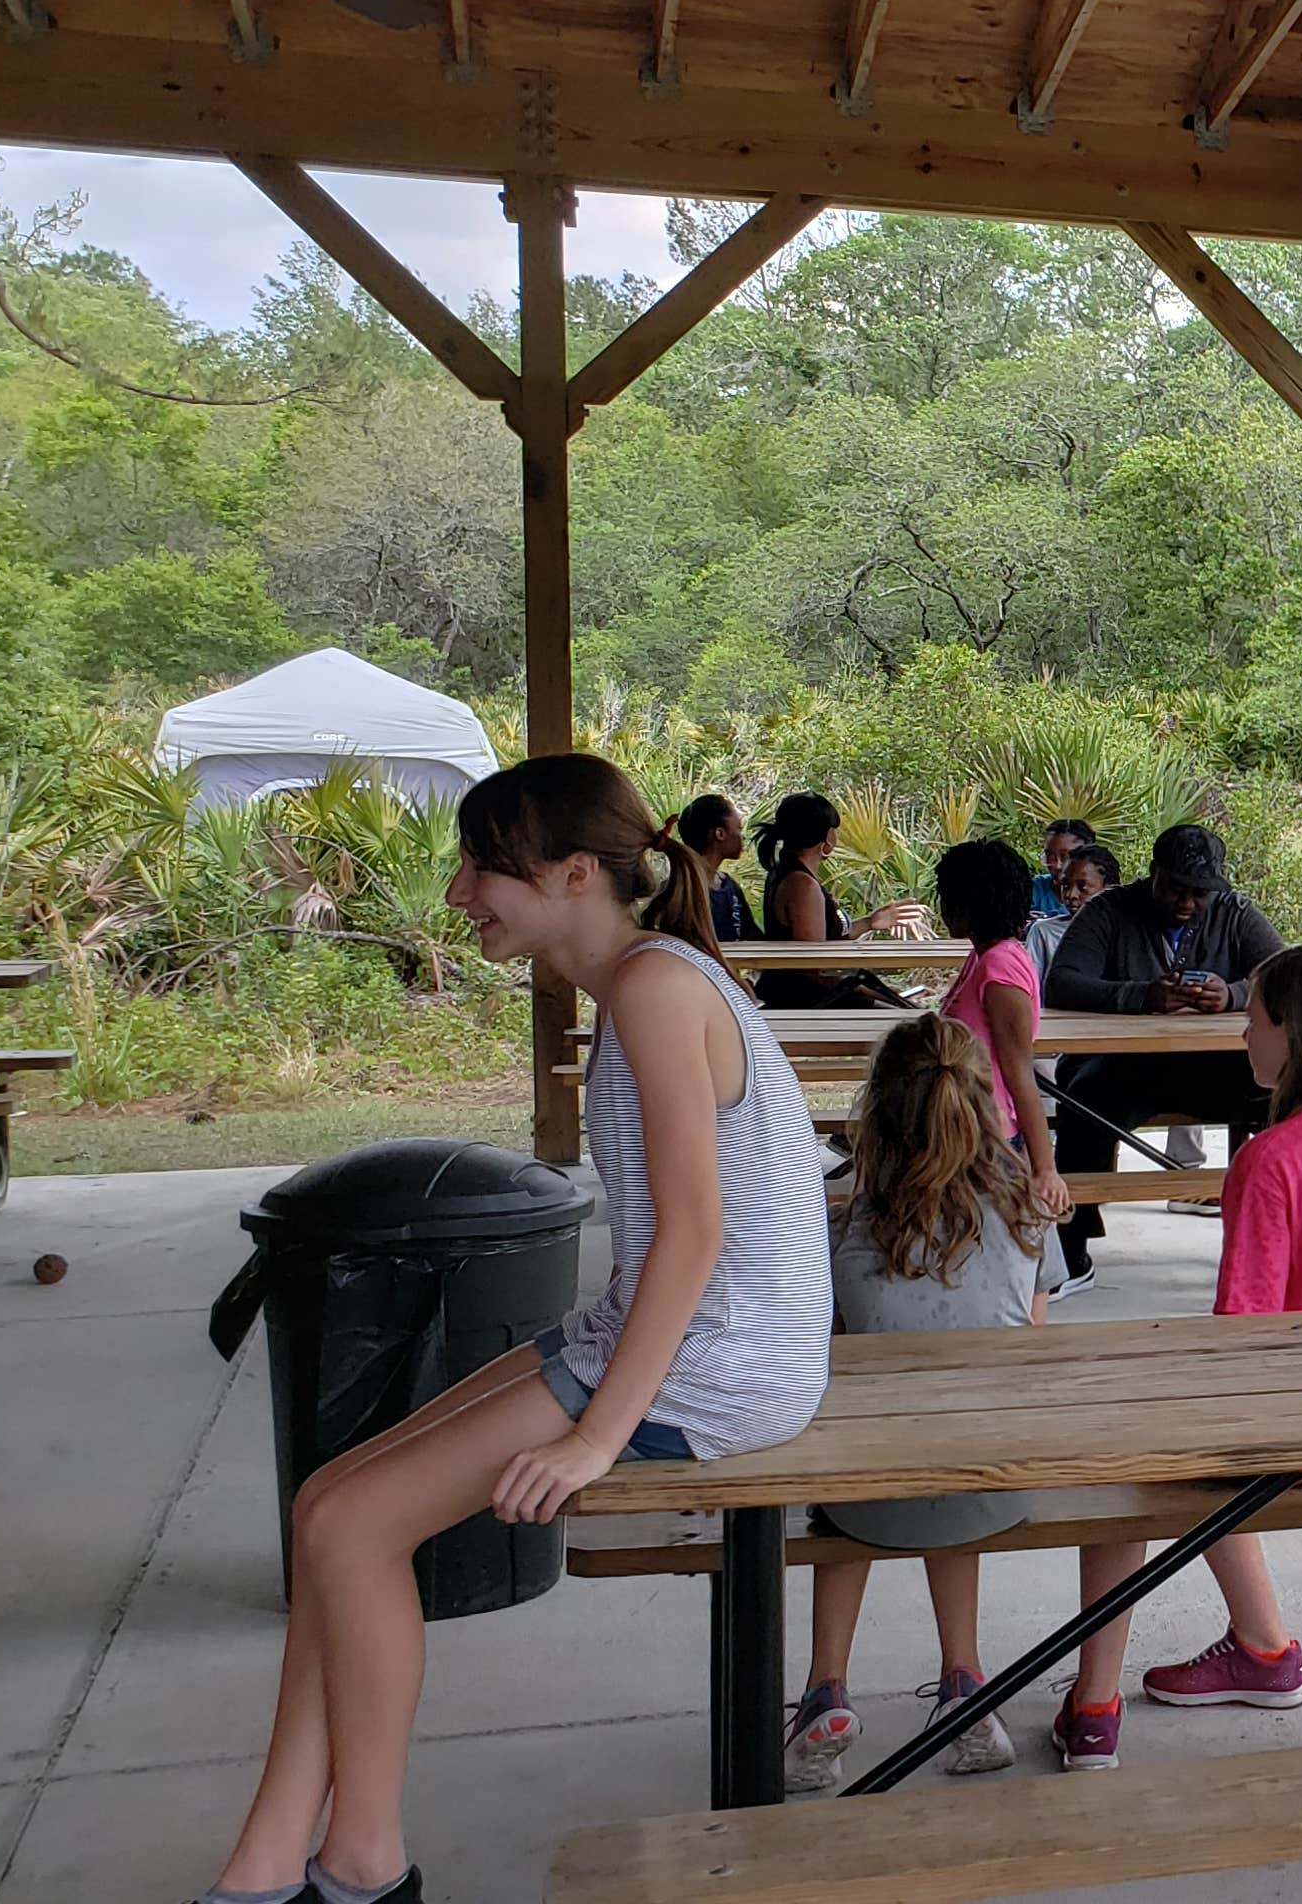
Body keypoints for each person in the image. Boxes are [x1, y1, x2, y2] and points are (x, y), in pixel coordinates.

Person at [199, 754, 828, 1904]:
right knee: (329, 1506)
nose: (456, 894)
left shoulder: (652, 985)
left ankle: (360, 1865)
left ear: (576, 871)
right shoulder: (647, 977)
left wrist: (595, 1440)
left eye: (484, 865)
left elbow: (694, 1235)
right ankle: (265, 1861)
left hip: (717, 1362)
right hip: (664, 1336)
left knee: (347, 1532)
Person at [1052, 941, 1302, 1771]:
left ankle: (1093, 1708)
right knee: (1172, 1428)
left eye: (1252, 1019)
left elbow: (1242, 1341)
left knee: (1127, 1454)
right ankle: (1263, 1651)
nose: (1241, 1037)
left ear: (1293, 1033)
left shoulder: (1270, 1162)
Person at [782, 1014, 1057, 1792]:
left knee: (854, 1474)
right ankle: (965, 1684)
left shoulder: (851, 1227)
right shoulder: (1030, 1212)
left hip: (872, 1495)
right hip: (996, 1484)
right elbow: (1033, 1351)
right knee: (957, 1440)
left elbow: (832, 1353)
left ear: (879, 1113)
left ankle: (823, 1691)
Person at [1041, 825, 1280, 1283]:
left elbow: (1283, 976)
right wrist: (1139, 996)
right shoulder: (1108, 911)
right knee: (1082, 1102)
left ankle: (1273, 1237)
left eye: (1201, 893)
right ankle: (1072, 1248)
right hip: (1124, 1069)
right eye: (1176, 889)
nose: (1188, 902)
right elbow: (1062, 982)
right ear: (1153, 875)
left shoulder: (1235, 912)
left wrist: (1232, 994)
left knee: (1290, 1101)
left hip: (1217, 1069)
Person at [933, 839, 1068, 1222]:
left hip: (991, 1135)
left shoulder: (1001, 966)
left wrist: (1043, 1168)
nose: (942, 907)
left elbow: (1019, 1071)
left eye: (948, 896)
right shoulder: (981, 956)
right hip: (964, 1125)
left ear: (973, 903)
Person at [748, 792, 928, 1010]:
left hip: (815, 995)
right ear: (826, 837)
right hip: (806, 1001)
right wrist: (864, 986)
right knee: (908, 1020)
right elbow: (814, 966)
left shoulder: (790, 874)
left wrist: (870, 922)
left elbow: (822, 941)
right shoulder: (801, 885)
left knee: (908, 1011)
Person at [670, 794, 755, 942]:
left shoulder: (729, 887)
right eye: (739, 829)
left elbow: (752, 937)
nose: (743, 836)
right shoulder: (681, 892)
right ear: (720, 834)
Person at [1028, 842, 1114, 971]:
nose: (1070, 895)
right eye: (1066, 886)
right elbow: (1032, 986)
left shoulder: (1125, 934)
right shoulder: (1044, 932)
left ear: (1109, 890)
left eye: (1082, 887)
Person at [1032, 819, 1099, 919]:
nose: (1057, 865)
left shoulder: (1101, 894)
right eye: (1050, 857)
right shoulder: (1034, 889)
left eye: (1066, 857)